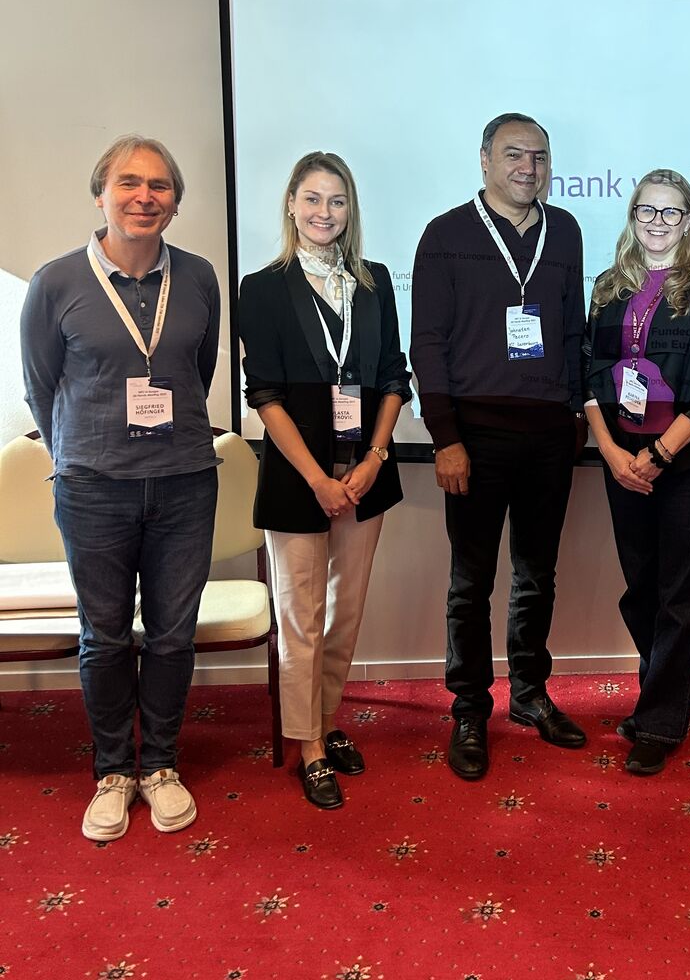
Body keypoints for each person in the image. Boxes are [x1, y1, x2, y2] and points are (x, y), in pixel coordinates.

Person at [20, 136, 220, 842]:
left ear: (175, 202)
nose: (145, 196)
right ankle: (112, 771)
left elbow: (199, 369)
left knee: (172, 635)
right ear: (100, 193)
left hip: (185, 483)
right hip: (93, 489)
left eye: (160, 185)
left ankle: (159, 764)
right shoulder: (55, 282)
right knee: (104, 636)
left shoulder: (198, 277)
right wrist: (81, 451)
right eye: (129, 182)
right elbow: (41, 386)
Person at [411, 113, 588, 781]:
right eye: (514, 154)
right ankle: (468, 708)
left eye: (539, 156)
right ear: (485, 160)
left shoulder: (564, 230)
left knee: (537, 575)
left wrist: (575, 414)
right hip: (475, 436)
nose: (528, 167)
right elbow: (427, 344)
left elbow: (571, 331)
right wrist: (446, 438)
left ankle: (530, 693)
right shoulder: (445, 234)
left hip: (548, 434)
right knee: (471, 582)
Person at [238, 152, 412, 809]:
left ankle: (328, 718)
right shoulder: (263, 287)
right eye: (311, 198)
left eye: (336, 200)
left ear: (350, 209)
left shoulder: (374, 281)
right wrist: (317, 477)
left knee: (344, 612)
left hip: (365, 473)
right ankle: (308, 744)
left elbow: (393, 376)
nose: (324, 212)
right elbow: (265, 394)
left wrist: (374, 458)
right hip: (298, 478)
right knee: (301, 618)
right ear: (291, 204)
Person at [582, 170, 690, 775]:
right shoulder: (608, 287)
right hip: (621, 461)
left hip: (686, 463)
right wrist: (609, 451)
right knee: (641, 588)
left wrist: (661, 454)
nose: (657, 222)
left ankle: (658, 722)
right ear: (632, 216)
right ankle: (661, 696)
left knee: (679, 593)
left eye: (671, 212)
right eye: (647, 210)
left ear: (689, 220)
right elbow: (590, 372)